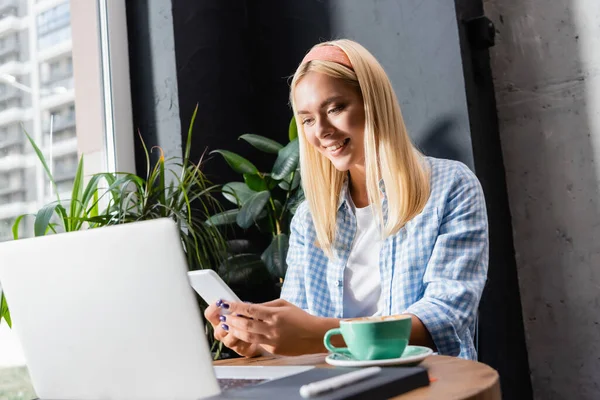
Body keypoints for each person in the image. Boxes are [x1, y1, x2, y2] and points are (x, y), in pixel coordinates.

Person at [205, 39, 489, 360]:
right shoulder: (309, 218)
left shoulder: (450, 186)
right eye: (308, 119)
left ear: (373, 102)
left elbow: (444, 315)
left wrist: (322, 334)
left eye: (335, 108)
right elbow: (299, 322)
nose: (322, 131)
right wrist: (259, 340)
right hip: (336, 386)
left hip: (429, 382)